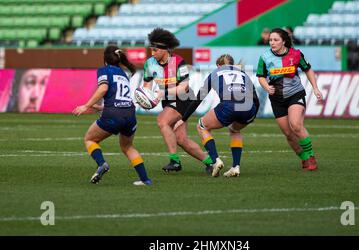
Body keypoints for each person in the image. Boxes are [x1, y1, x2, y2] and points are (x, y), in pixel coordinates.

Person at [73, 45, 152, 186]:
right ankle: (145, 180)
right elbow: (121, 98)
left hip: (114, 114)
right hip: (130, 113)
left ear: (105, 59)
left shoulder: (104, 70)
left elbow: (103, 88)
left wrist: (86, 106)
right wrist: (102, 107)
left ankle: (102, 164)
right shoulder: (123, 74)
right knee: (128, 147)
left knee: (90, 139)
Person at [174, 54, 260, 177]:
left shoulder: (216, 72)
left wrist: (184, 119)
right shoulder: (243, 74)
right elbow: (256, 99)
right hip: (249, 107)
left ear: (218, 65)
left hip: (229, 105)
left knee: (202, 126)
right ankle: (235, 167)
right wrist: (252, 116)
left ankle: (215, 161)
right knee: (235, 130)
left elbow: (199, 98)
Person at [143, 28, 213, 173]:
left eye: (155, 50)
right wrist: (146, 98)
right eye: (151, 49)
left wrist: (163, 92)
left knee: (162, 121)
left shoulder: (179, 62)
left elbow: (184, 87)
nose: (152, 53)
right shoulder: (149, 64)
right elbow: (147, 85)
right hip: (168, 101)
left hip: (183, 98)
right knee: (181, 139)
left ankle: (174, 161)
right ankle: (211, 162)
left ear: (165, 49)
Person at [256, 28, 323, 171]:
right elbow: (260, 76)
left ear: (284, 41)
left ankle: (311, 157)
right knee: (288, 134)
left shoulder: (296, 54)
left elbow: (308, 69)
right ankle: (304, 158)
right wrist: (267, 87)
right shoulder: (265, 57)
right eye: (270, 40)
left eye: (275, 40)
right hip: (277, 99)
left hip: (295, 94)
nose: (272, 43)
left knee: (296, 125)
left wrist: (315, 88)